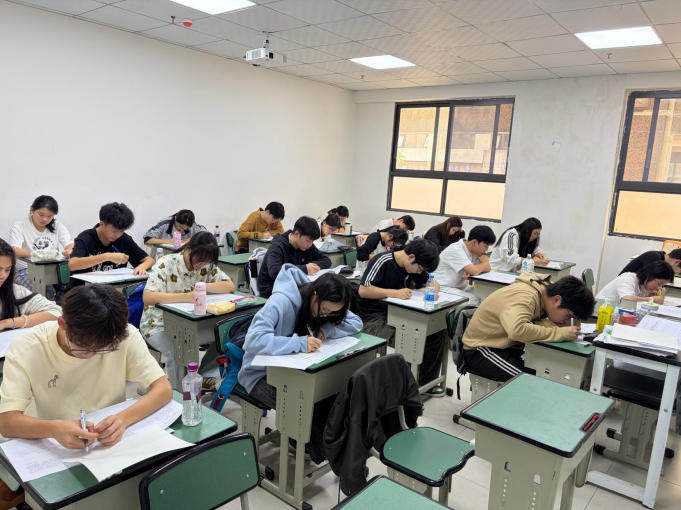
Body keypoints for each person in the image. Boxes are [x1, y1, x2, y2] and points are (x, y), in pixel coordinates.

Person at [0, 284, 171, 447]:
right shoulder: (27, 348)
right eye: (83, 348)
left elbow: (163, 389)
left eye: (102, 349)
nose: (91, 355)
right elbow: (7, 422)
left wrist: (123, 419)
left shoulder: (123, 336)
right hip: (49, 445)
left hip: (105, 445)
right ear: (62, 324)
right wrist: (55, 429)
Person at [239, 265, 362, 462]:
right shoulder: (281, 301)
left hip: (296, 372)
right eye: (324, 309)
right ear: (315, 295)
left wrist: (327, 330)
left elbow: (356, 323)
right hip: (260, 375)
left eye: (331, 312)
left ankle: (323, 450)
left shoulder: (326, 304)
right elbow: (253, 340)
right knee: (305, 408)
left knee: (330, 399)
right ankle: (319, 450)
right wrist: (298, 343)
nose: (325, 315)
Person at [140, 232, 234, 389]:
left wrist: (202, 286)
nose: (201, 265)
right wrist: (186, 297)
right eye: (199, 260)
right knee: (178, 350)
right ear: (189, 249)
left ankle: (202, 375)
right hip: (158, 324)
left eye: (206, 261)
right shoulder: (167, 263)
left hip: (192, 323)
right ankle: (177, 394)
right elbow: (148, 297)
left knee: (224, 336)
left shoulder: (206, 264)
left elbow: (229, 285)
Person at [463, 275, 595, 381]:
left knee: (546, 372)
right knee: (529, 380)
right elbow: (517, 330)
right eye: (568, 316)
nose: (567, 322)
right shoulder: (527, 297)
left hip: (508, 347)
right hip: (482, 350)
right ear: (557, 300)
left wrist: (570, 325)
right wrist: (560, 333)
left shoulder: (549, 292)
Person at [357, 239, 444, 393]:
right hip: (374, 319)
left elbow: (432, 281)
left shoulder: (413, 265)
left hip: (399, 315)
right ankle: (406, 387)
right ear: (411, 257)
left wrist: (432, 290)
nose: (419, 272)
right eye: (419, 268)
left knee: (436, 332)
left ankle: (425, 382)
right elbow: (363, 290)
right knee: (412, 336)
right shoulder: (382, 261)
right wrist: (395, 293)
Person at [69, 202, 154, 277]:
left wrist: (142, 267)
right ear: (102, 224)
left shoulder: (124, 239)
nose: (118, 235)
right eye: (114, 231)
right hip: (84, 288)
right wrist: (107, 256)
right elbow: (73, 264)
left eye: (122, 231)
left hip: (113, 288)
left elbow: (149, 260)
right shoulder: (86, 237)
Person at [8, 195, 74, 291]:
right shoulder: (20, 226)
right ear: (32, 210)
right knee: (46, 290)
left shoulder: (57, 226)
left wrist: (69, 250)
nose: (45, 219)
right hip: (26, 269)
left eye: (50, 216)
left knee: (71, 286)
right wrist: (37, 255)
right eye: (41, 215)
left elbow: (70, 244)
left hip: (53, 269)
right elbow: (14, 250)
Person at [257, 216, 331, 299]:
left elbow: (326, 260)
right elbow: (275, 272)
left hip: (296, 286)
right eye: (308, 241)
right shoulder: (277, 246)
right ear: (296, 234)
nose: (310, 245)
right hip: (273, 290)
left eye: (312, 241)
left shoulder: (306, 245)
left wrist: (312, 267)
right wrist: (304, 269)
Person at [0, 238, 62, 331]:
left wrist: (7, 323)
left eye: (7, 270)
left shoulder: (15, 291)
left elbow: (56, 312)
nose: (3, 276)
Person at [433, 226, 496, 306]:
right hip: (442, 287)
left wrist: (481, 266)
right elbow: (475, 270)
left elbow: (487, 268)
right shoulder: (456, 249)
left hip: (460, 287)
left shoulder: (474, 251)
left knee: (487, 294)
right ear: (474, 242)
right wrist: (483, 264)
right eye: (485, 246)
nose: (486, 250)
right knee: (475, 300)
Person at [597, 261, 674, 305]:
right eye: (659, 283)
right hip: (600, 311)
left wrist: (649, 296)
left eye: (662, 285)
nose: (658, 288)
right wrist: (650, 299)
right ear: (649, 276)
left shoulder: (645, 286)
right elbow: (626, 300)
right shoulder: (628, 278)